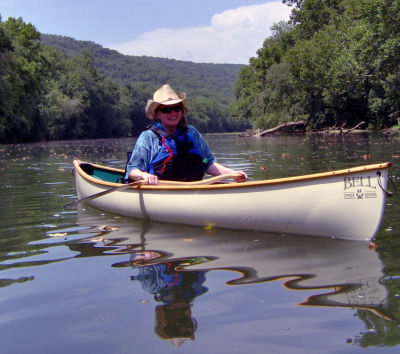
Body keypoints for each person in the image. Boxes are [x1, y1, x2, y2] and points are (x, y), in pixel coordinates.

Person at [124, 84, 248, 184]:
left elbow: (208, 163)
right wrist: (143, 175)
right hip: (160, 191)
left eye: (176, 108)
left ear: (181, 110)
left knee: (202, 160)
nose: (173, 113)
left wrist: (232, 174)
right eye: (166, 109)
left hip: (194, 188)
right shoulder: (148, 137)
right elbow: (132, 170)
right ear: (157, 114)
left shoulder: (191, 132)